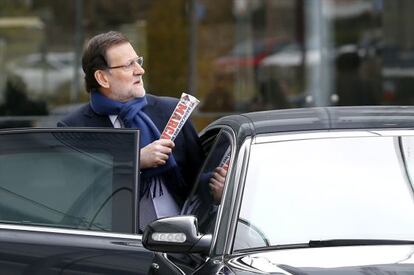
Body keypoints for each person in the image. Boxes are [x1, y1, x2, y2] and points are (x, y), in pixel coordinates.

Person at [57, 31, 204, 230]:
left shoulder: (172, 110)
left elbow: (200, 176)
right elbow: (81, 192)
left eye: (138, 61)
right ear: (102, 78)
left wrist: (218, 189)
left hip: (186, 241)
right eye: (128, 65)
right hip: (116, 248)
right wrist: (135, 161)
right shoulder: (74, 127)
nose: (140, 70)